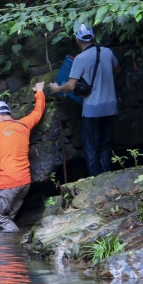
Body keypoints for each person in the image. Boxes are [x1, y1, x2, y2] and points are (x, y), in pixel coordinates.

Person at [49, 24, 121, 176]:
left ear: (77, 39)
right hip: (110, 107)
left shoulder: (80, 59)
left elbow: (71, 85)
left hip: (92, 109)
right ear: (93, 37)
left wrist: (57, 88)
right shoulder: (107, 52)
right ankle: (107, 175)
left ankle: (95, 178)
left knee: (90, 145)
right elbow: (117, 69)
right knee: (104, 144)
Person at [0, 82, 46, 231]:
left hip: (7, 183)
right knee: (8, 219)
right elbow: (38, 111)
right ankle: (11, 251)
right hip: (24, 183)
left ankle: (15, 239)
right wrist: (39, 92)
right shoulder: (24, 124)